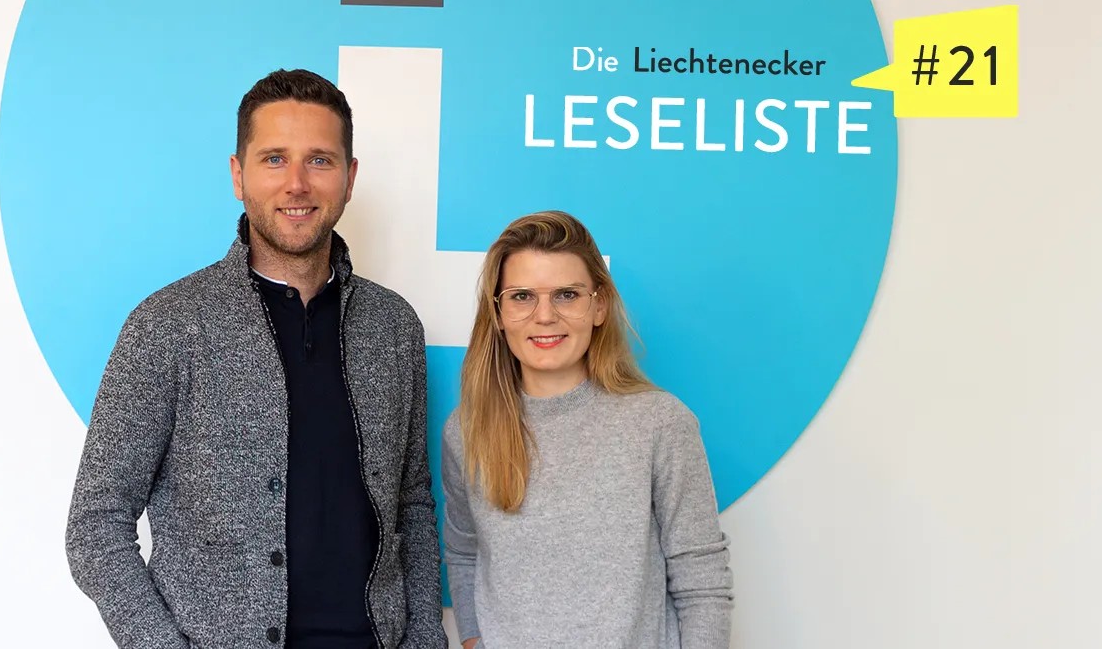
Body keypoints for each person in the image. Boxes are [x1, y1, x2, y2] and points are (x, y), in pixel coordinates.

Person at [65, 68, 447, 649]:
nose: (297, 184)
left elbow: (411, 505)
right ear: (238, 175)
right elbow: (96, 525)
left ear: (349, 178)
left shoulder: (393, 326)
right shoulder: (169, 324)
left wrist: (423, 640)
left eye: (319, 160)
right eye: (274, 159)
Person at [440, 210, 735, 648]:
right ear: (498, 313)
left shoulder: (659, 423)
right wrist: (473, 640)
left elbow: (702, 580)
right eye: (522, 296)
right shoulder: (467, 430)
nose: (544, 316)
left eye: (566, 295)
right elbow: (464, 552)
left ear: (598, 306)